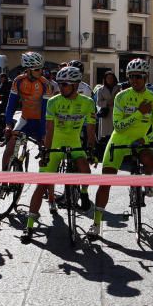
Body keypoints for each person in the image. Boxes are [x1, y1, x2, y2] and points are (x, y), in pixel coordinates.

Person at [21, 65, 96, 241]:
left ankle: (84, 193)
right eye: (60, 84)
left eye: (66, 84)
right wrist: (46, 151)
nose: (61, 87)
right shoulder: (54, 102)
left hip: (75, 143)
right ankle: (29, 225)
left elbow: (91, 130)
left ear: (76, 85)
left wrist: (91, 149)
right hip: (55, 143)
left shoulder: (87, 103)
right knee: (41, 185)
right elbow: (49, 128)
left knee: (86, 170)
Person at [90, 58, 153, 238]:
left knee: (150, 161)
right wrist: (139, 113)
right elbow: (119, 126)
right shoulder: (121, 97)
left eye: (138, 76)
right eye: (131, 77)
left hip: (141, 141)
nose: (134, 80)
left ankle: (148, 179)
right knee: (105, 182)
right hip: (119, 141)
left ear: (146, 77)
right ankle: (96, 223)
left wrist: (144, 139)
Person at [2, 51, 52, 171]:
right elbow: (11, 104)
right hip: (24, 120)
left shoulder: (45, 84)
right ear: (28, 69)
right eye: (37, 69)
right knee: (9, 148)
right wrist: (8, 124)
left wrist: (43, 134)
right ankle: (3, 179)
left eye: (41, 69)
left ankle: (45, 184)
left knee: (46, 153)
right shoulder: (18, 81)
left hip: (40, 121)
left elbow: (45, 111)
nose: (41, 72)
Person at [94, 70, 121, 152]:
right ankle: (106, 152)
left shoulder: (119, 88)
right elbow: (98, 103)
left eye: (111, 78)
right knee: (106, 136)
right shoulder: (100, 90)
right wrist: (107, 103)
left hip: (117, 113)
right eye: (108, 78)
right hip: (106, 115)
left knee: (117, 134)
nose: (109, 80)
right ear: (105, 79)